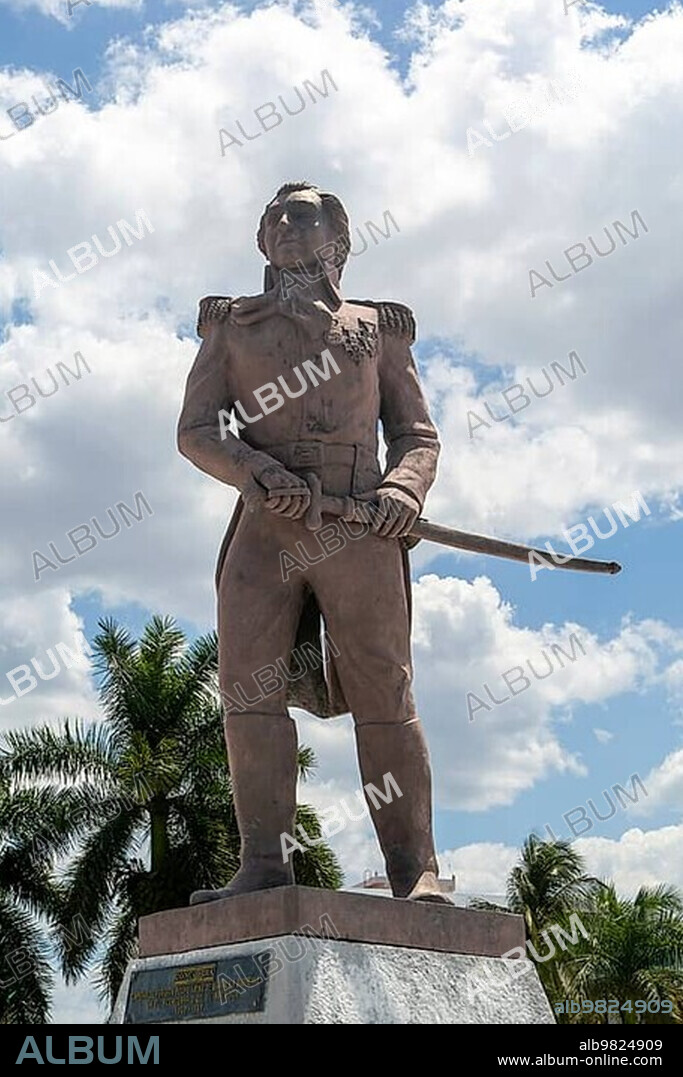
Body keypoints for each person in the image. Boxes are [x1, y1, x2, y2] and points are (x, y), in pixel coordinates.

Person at [177, 181, 449, 903]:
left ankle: (412, 870)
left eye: (300, 214)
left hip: (361, 523)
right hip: (267, 528)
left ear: (337, 237)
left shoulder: (378, 327)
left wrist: (402, 490)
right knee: (247, 691)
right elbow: (197, 431)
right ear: (262, 243)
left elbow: (416, 435)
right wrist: (256, 469)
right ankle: (263, 865)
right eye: (273, 218)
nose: (283, 224)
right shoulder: (232, 327)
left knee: (383, 690)